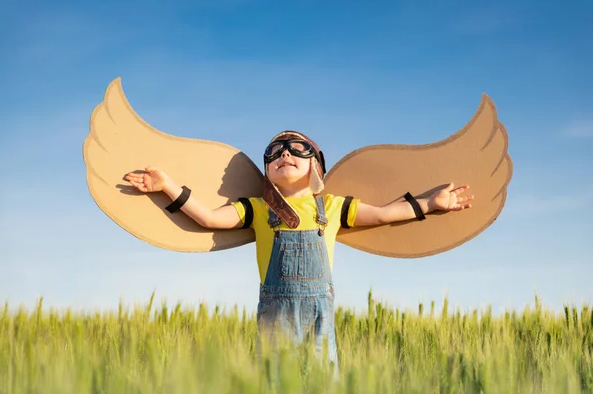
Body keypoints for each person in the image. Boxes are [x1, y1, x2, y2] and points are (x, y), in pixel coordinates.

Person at [124, 130, 473, 379]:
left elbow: (383, 214)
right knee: (275, 379)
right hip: (276, 314)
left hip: (321, 311)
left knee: (323, 378)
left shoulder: (333, 206)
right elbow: (209, 218)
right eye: (274, 152)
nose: (283, 154)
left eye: (295, 148)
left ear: (316, 165)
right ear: (266, 172)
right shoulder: (257, 209)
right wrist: (166, 185)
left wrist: (431, 203)